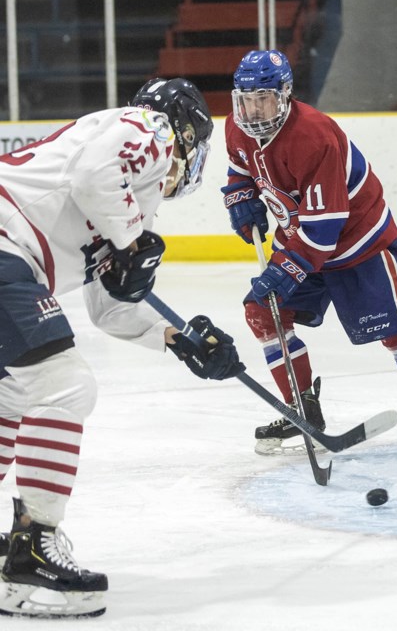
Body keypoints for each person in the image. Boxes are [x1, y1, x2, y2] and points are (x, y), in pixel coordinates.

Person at [0, 78, 245, 618]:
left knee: (14, 399)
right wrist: (133, 242)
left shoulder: (131, 191)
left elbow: (108, 308)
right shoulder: (145, 128)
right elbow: (93, 177)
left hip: (12, 258)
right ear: (186, 132)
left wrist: (178, 340)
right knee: (63, 385)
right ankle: (30, 557)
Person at [221, 50, 397, 453]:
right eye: (245, 99)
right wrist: (240, 196)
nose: (252, 108)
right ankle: (302, 409)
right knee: (263, 312)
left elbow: (323, 231)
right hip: (300, 238)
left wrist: (284, 271)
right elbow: (242, 167)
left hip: (358, 241)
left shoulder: (314, 137)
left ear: (283, 95)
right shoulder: (237, 127)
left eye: (261, 97)